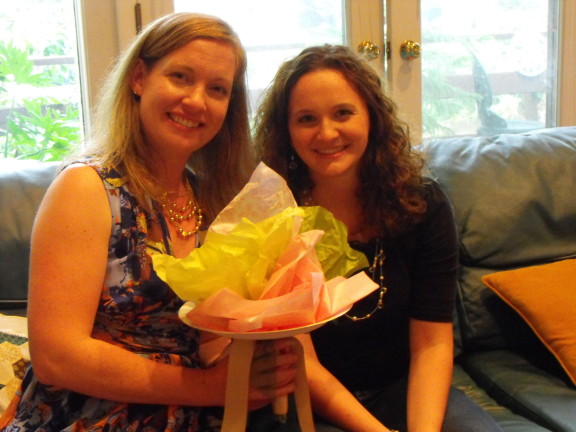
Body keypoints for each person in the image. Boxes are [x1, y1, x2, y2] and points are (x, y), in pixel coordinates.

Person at [0, 13, 301, 432]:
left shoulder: (209, 197)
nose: (197, 101)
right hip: (89, 417)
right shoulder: (86, 188)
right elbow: (57, 358)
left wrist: (255, 356)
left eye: (217, 89)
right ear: (139, 78)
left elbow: (203, 336)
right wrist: (213, 387)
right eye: (181, 77)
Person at [253, 44, 505, 432]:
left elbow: (432, 343)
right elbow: (303, 361)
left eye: (343, 113)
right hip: (308, 399)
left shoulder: (422, 203)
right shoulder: (274, 215)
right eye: (306, 119)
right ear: (286, 131)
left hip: (401, 388)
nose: (327, 133)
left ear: (371, 116)